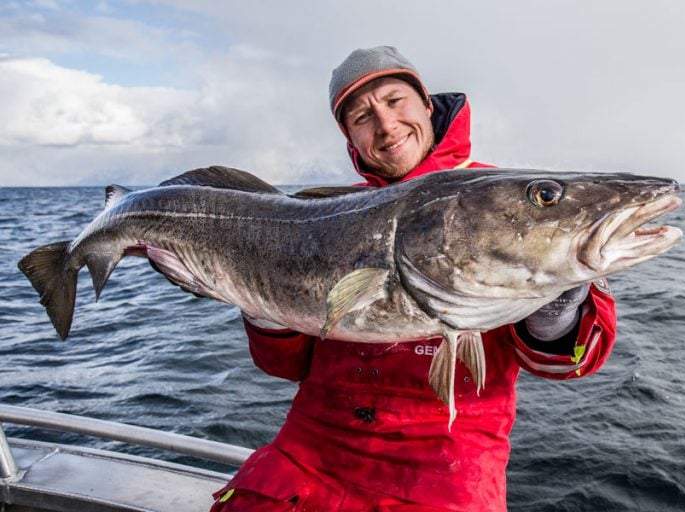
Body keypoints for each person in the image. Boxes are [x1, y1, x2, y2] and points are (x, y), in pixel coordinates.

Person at [211, 46, 617, 512]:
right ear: (350, 138)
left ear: (426, 102)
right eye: (362, 116)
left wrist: (556, 313)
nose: (385, 125)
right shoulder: (323, 212)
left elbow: (567, 364)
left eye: (394, 100)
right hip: (307, 459)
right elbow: (285, 366)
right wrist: (258, 297)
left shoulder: (506, 200)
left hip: (444, 471)